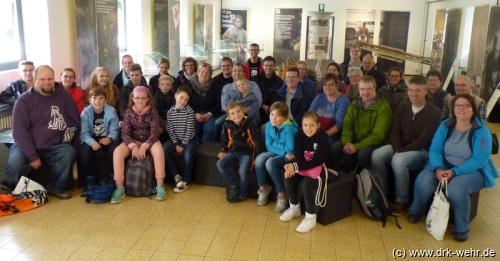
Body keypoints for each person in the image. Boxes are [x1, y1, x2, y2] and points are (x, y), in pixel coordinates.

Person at [408, 94, 498, 242]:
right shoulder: (445, 125)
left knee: (456, 189)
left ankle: (462, 228)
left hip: (471, 170)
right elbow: (435, 150)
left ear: (473, 109)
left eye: (466, 106)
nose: (461, 109)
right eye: (458, 106)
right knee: (423, 181)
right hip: (443, 164)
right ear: (453, 109)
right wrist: (437, 168)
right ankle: (415, 211)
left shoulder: (481, 130)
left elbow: (480, 159)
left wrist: (454, 172)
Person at [2, 65, 80, 199]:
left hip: (54, 145)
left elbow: (75, 119)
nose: (47, 82)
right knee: (15, 161)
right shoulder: (24, 100)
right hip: (28, 145)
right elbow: (19, 132)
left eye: (50, 79)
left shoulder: (63, 96)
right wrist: (32, 156)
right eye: (42, 79)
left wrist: (69, 134)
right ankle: (11, 187)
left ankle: (56, 186)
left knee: (68, 152)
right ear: (35, 79)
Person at [371, 76, 441, 215]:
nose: (413, 94)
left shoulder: (434, 112)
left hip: (422, 151)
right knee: (377, 155)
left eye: (418, 90)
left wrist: (400, 152)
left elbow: (423, 139)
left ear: (426, 91)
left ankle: (401, 200)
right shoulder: (403, 107)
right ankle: (382, 193)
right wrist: (397, 148)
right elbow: (394, 131)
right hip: (400, 147)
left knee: (399, 160)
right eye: (410, 90)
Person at [110, 86, 166, 203]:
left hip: (150, 140)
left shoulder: (152, 111)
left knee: (159, 151)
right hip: (133, 140)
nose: (140, 100)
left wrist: (145, 146)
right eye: (137, 98)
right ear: (133, 99)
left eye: (143, 98)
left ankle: (160, 186)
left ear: (147, 99)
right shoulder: (128, 112)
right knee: (117, 152)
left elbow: (155, 132)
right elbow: (125, 133)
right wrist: (133, 146)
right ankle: (120, 188)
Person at [280, 112, 330, 233]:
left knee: (307, 183)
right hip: (306, 165)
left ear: (318, 125)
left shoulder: (323, 137)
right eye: (305, 125)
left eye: (311, 125)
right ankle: (294, 207)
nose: (308, 128)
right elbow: (299, 157)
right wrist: (292, 167)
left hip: (324, 167)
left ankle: (310, 217)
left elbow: (317, 161)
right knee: (288, 176)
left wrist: (295, 165)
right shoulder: (299, 135)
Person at [331, 75, 392, 171]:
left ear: (375, 89)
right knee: (335, 148)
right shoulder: (354, 105)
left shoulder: (383, 107)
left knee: (363, 154)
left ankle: (365, 177)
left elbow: (378, 135)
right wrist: (347, 142)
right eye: (362, 89)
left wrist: (356, 146)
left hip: (373, 143)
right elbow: (347, 126)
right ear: (359, 90)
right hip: (354, 141)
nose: (365, 92)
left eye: (369, 89)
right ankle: (338, 176)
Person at [255, 101, 298, 212]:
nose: (273, 118)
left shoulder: (289, 129)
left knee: (270, 163)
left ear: (284, 117)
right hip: (282, 153)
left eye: (278, 115)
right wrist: (282, 150)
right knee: (259, 160)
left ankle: (282, 193)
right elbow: (269, 146)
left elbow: (291, 149)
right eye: (272, 114)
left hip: (291, 156)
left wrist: (277, 146)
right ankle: (264, 188)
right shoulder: (269, 125)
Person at [216, 102, 257, 202]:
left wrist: (255, 157)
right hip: (233, 151)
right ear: (229, 116)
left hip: (246, 153)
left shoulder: (250, 123)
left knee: (242, 172)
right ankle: (234, 185)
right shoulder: (227, 125)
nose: (236, 115)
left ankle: (243, 194)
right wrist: (223, 150)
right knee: (220, 164)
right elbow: (225, 140)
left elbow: (256, 142)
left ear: (243, 111)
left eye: (238, 111)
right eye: (233, 113)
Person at [80, 87, 120, 186]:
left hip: (107, 137)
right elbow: (83, 133)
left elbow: (114, 130)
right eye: (94, 98)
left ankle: (111, 176)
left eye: (101, 98)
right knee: (85, 153)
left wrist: (110, 139)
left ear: (105, 100)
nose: (98, 101)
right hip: (91, 138)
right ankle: (90, 178)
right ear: (90, 100)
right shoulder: (85, 113)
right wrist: (92, 142)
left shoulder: (111, 111)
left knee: (113, 150)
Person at [164, 86, 196, 193]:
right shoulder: (170, 112)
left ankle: (186, 181)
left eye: (186, 99)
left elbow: (189, 130)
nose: (183, 101)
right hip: (175, 140)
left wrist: (182, 145)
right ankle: (176, 176)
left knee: (188, 155)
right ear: (175, 96)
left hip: (188, 140)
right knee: (165, 150)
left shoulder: (189, 111)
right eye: (181, 97)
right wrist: (176, 143)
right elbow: (170, 130)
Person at [308, 73, 350, 144]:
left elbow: (339, 125)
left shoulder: (343, 101)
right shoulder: (319, 97)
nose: (327, 87)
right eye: (325, 84)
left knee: (321, 144)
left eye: (331, 84)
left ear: (337, 86)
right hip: (316, 130)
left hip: (333, 134)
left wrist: (323, 135)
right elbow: (309, 115)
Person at [188, 62, 220, 143]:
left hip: (210, 114)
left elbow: (219, 103)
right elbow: (185, 102)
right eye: (202, 71)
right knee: (195, 130)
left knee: (208, 132)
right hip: (194, 114)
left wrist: (209, 113)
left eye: (207, 72)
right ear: (198, 72)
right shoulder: (189, 85)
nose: (204, 74)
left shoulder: (215, 85)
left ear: (210, 74)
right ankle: (195, 150)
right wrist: (195, 113)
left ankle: (204, 152)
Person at [256, 56, 283, 121]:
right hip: (257, 109)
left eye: (271, 65)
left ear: (274, 66)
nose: (268, 67)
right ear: (263, 66)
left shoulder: (280, 81)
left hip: (273, 111)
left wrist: (270, 107)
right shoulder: (256, 79)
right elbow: (253, 95)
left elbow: (278, 97)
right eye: (266, 65)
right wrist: (262, 105)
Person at [153, 75, 175, 142]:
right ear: (159, 85)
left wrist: (169, 124)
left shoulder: (174, 96)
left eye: (168, 84)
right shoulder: (155, 97)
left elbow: (175, 111)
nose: (165, 86)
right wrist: (163, 124)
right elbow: (154, 113)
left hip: (170, 121)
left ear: (171, 86)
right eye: (162, 84)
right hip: (159, 121)